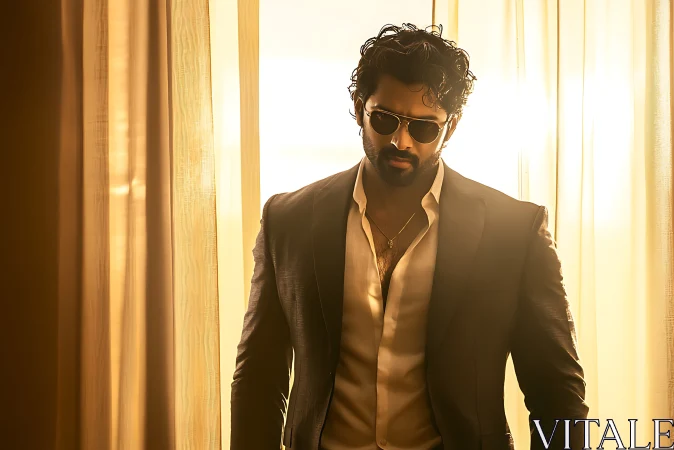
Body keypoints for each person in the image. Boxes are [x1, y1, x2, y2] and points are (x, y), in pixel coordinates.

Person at [230, 23, 588, 450]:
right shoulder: (288, 220)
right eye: (385, 120)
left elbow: (556, 390)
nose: (400, 141)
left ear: (451, 127)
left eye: (423, 128)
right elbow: (258, 376)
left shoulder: (513, 231)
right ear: (359, 107)